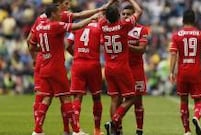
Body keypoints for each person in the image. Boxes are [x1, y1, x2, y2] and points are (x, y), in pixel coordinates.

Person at [27, 0, 112, 134]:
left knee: (46, 98)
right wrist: (92, 18)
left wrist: (44, 50)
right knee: (66, 98)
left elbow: (31, 44)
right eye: (64, 6)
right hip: (57, 67)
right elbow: (77, 25)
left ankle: (37, 130)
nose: (64, 12)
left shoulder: (39, 25)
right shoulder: (56, 25)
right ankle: (77, 131)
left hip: (44, 65)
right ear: (55, 11)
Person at [98, 0, 142, 134]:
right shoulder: (123, 25)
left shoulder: (102, 25)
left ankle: (115, 131)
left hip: (108, 68)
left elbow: (101, 11)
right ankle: (114, 121)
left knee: (115, 99)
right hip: (122, 67)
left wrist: (111, 2)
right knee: (133, 97)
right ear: (118, 16)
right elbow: (139, 11)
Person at [169, 9, 201, 135]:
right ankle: (196, 117)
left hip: (182, 72)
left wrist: (171, 72)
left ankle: (187, 130)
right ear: (195, 20)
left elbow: (173, 54)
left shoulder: (176, 35)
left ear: (182, 20)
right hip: (195, 71)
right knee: (198, 101)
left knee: (183, 101)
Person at [66, 21, 103, 135]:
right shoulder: (99, 26)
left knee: (77, 97)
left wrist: (77, 54)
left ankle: (76, 129)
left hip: (78, 64)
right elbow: (104, 43)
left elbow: (67, 45)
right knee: (96, 97)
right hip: (93, 64)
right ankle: (96, 130)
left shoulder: (77, 25)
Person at [120, 5, 148, 135]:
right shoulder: (118, 28)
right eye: (123, 14)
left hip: (136, 69)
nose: (125, 16)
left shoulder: (141, 29)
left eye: (128, 14)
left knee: (138, 100)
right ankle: (117, 128)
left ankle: (139, 130)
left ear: (134, 16)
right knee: (119, 99)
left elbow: (142, 49)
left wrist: (126, 45)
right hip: (121, 69)